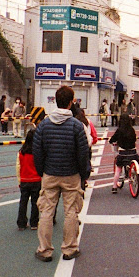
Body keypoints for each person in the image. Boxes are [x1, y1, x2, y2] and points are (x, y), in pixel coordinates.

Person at [32, 86, 90, 262]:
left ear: (55, 100)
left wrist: (43, 170)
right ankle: (70, 248)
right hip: (71, 175)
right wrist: (83, 175)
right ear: (71, 102)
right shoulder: (76, 126)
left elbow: (37, 151)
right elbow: (83, 154)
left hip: (50, 173)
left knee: (46, 212)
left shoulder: (44, 125)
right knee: (71, 212)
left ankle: (44, 250)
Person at [109, 115, 139, 194]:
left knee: (118, 169)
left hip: (123, 153)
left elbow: (113, 139)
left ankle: (114, 187)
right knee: (137, 169)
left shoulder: (119, 130)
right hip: (133, 153)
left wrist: (111, 140)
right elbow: (134, 139)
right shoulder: (132, 130)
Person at [16, 128, 41, 231]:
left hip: (24, 180)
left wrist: (19, 180)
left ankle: (21, 223)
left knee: (23, 201)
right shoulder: (38, 152)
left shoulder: (21, 152)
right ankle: (34, 223)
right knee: (36, 202)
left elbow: (18, 167)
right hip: (36, 180)